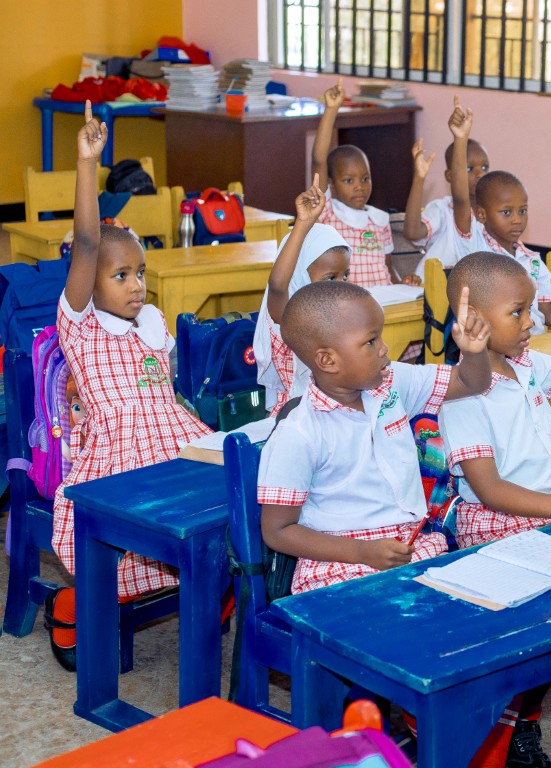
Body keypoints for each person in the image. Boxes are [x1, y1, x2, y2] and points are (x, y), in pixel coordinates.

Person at [45, 103, 214, 671]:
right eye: (121, 276)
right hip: (116, 459)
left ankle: (210, 585)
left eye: (140, 273)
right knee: (111, 556)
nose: (137, 285)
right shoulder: (82, 327)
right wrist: (86, 164)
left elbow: (165, 396)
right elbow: (89, 243)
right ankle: (71, 607)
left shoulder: (151, 326)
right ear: (87, 284)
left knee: (221, 494)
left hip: (167, 444)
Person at [257, 279, 491, 593]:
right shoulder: (299, 432)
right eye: (370, 341)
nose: (384, 348)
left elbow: (469, 383)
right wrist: (363, 553)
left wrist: (474, 353)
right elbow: (277, 531)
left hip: (408, 544)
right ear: (328, 360)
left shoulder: (391, 382)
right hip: (337, 561)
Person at [439, 252, 551, 550]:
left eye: (530, 309)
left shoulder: (525, 363)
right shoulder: (460, 396)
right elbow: (490, 489)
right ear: (473, 317)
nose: (530, 321)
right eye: (517, 311)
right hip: (497, 522)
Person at [446, 97, 551, 334]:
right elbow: (460, 197)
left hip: (534, 345)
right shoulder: (474, 243)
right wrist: (460, 140)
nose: (517, 219)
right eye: (506, 212)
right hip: (492, 349)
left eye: (522, 211)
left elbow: (549, 313)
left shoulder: (532, 261)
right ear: (481, 214)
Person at [254, 175, 351, 415]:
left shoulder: (342, 316)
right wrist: (302, 224)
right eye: (330, 278)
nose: (339, 286)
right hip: (298, 414)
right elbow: (278, 285)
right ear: (300, 276)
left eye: (345, 276)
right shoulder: (289, 317)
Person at [312, 78, 420, 287]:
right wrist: (331, 110)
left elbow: (388, 269)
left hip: (381, 306)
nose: (359, 186)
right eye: (348, 180)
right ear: (332, 184)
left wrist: (404, 283)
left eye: (365, 178)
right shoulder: (326, 213)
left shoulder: (379, 220)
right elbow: (318, 159)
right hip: (345, 306)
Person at [403, 133, 489, 273]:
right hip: (432, 288)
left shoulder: (491, 213)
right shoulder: (442, 209)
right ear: (450, 176)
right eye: (469, 169)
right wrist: (419, 178)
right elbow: (412, 233)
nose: (480, 173)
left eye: (485, 167)